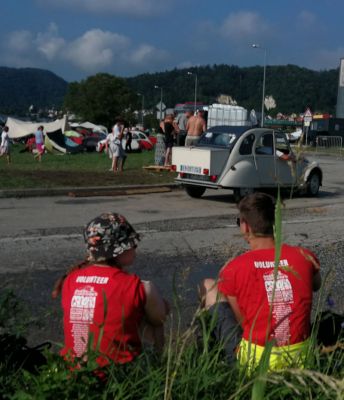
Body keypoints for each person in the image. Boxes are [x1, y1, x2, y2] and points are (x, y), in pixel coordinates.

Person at [199, 192, 321, 370]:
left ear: (245, 227)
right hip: (301, 359)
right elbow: (316, 285)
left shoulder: (233, 268)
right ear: (275, 224)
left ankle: (206, 354)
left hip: (255, 365)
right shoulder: (304, 256)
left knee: (209, 285)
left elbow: (241, 322)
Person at [52, 212, 169, 368]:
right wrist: (163, 305)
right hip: (115, 374)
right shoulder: (139, 286)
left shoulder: (70, 280)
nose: (135, 247)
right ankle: (159, 369)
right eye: (132, 243)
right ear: (119, 250)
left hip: (76, 373)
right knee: (153, 323)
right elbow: (160, 318)